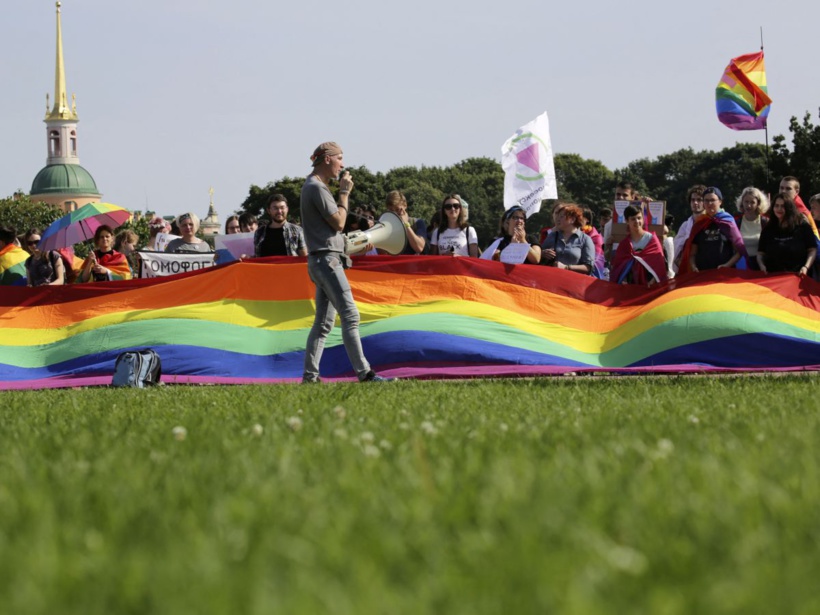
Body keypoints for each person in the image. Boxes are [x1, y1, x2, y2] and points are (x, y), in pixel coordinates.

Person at [300, 141, 392, 383]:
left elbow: (328, 233)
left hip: (322, 260)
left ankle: (310, 377)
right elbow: (339, 222)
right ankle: (365, 374)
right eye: (340, 158)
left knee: (323, 324)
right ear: (328, 159)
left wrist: (355, 245)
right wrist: (344, 193)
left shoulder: (311, 186)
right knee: (350, 316)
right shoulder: (318, 188)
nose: (342, 164)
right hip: (327, 262)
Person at [679, 187, 746, 274]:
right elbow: (692, 254)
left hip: (724, 275)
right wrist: (693, 267)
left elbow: (739, 251)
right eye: (706, 200)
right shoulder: (699, 224)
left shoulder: (728, 222)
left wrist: (727, 265)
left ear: (720, 202)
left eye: (713, 200)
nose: (709, 203)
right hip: (702, 275)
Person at [756, 193, 817, 275]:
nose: (779, 209)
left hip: (798, 277)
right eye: (776, 206)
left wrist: (806, 267)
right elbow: (760, 253)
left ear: (790, 208)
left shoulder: (803, 227)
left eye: (783, 206)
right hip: (773, 278)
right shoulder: (768, 229)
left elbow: (812, 250)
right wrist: (761, 265)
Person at [610, 204, 667, 285]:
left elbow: (659, 265)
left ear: (643, 219)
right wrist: (624, 281)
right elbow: (618, 268)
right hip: (630, 287)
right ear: (627, 221)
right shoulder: (624, 245)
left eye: (639, 218)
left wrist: (652, 282)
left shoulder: (652, 240)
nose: (637, 221)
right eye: (633, 219)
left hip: (650, 285)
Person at [540, 203, 595, 274]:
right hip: (551, 279)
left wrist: (566, 267)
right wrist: (542, 253)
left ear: (572, 219)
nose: (557, 219)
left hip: (574, 282)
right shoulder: (552, 236)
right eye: (557, 216)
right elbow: (538, 257)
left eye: (561, 216)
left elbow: (589, 267)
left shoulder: (585, 239)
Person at [733, 187, 770, 271]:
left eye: (752, 202)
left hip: (761, 266)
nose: (748, 205)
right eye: (746, 201)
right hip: (741, 265)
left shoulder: (765, 222)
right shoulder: (736, 222)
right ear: (742, 202)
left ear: (758, 204)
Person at [381, 190, 427, 255]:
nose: (395, 214)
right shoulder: (386, 226)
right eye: (391, 210)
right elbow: (383, 253)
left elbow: (419, 247)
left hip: (413, 264)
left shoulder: (417, 223)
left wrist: (406, 224)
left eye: (397, 209)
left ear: (405, 206)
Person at [672, 185, 707, 270]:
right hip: (688, 270)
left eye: (699, 200)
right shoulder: (685, 225)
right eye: (693, 200)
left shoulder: (710, 223)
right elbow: (676, 250)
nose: (695, 203)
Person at [603, 181, 635, 261]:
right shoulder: (609, 226)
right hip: (617, 268)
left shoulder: (639, 222)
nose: (620, 197)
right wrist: (608, 246)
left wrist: (649, 205)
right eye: (618, 194)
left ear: (632, 197)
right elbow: (606, 258)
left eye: (625, 195)